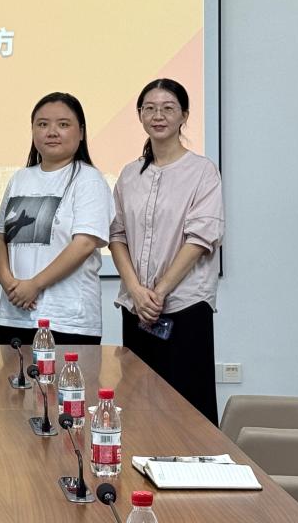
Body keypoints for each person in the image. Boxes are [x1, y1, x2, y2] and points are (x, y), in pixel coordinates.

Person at [110, 78, 224, 424]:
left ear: (184, 115)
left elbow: (200, 238)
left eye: (168, 108)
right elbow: (117, 235)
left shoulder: (202, 171)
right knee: (137, 406)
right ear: (140, 115)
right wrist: (136, 291)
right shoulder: (129, 174)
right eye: (150, 108)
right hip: (136, 308)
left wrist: (158, 293)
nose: (158, 116)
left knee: (188, 409)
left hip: (184, 306)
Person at [0, 92, 113, 346]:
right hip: (14, 317)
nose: (52, 132)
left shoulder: (89, 180)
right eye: (43, 124)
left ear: (81, 132)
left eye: (63, 124)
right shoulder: (20, 179)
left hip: (68, 320)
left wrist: (34, 285)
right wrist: (9, 283)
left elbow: (84, 244)